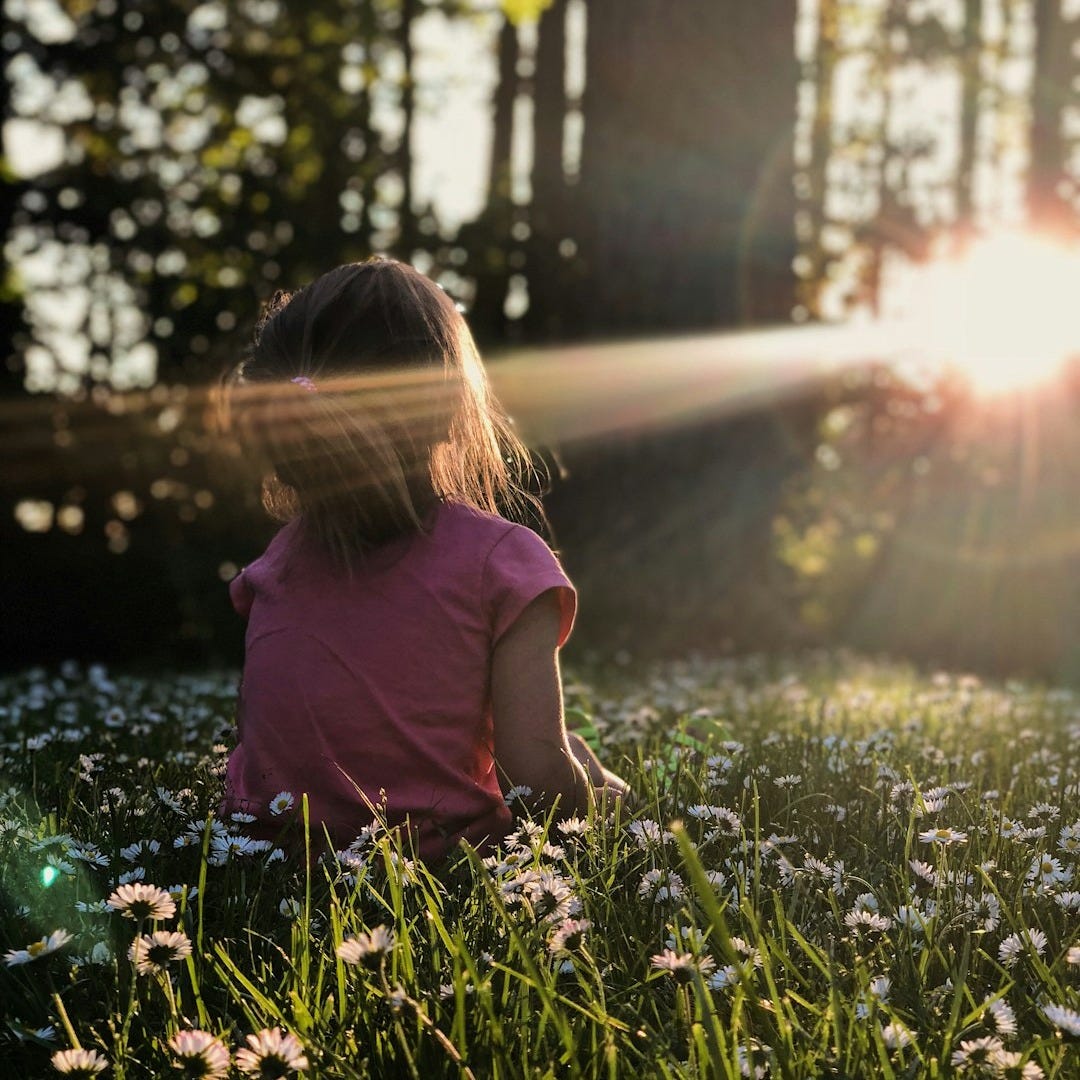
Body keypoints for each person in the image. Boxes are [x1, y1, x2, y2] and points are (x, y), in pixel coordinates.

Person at [218, 256, 629, 862]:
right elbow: (538, 784)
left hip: (269, 857)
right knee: (572, 758)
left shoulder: (275, 566)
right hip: (436, 867)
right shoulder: (503, 564)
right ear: (444, 409)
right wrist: (602, 801)